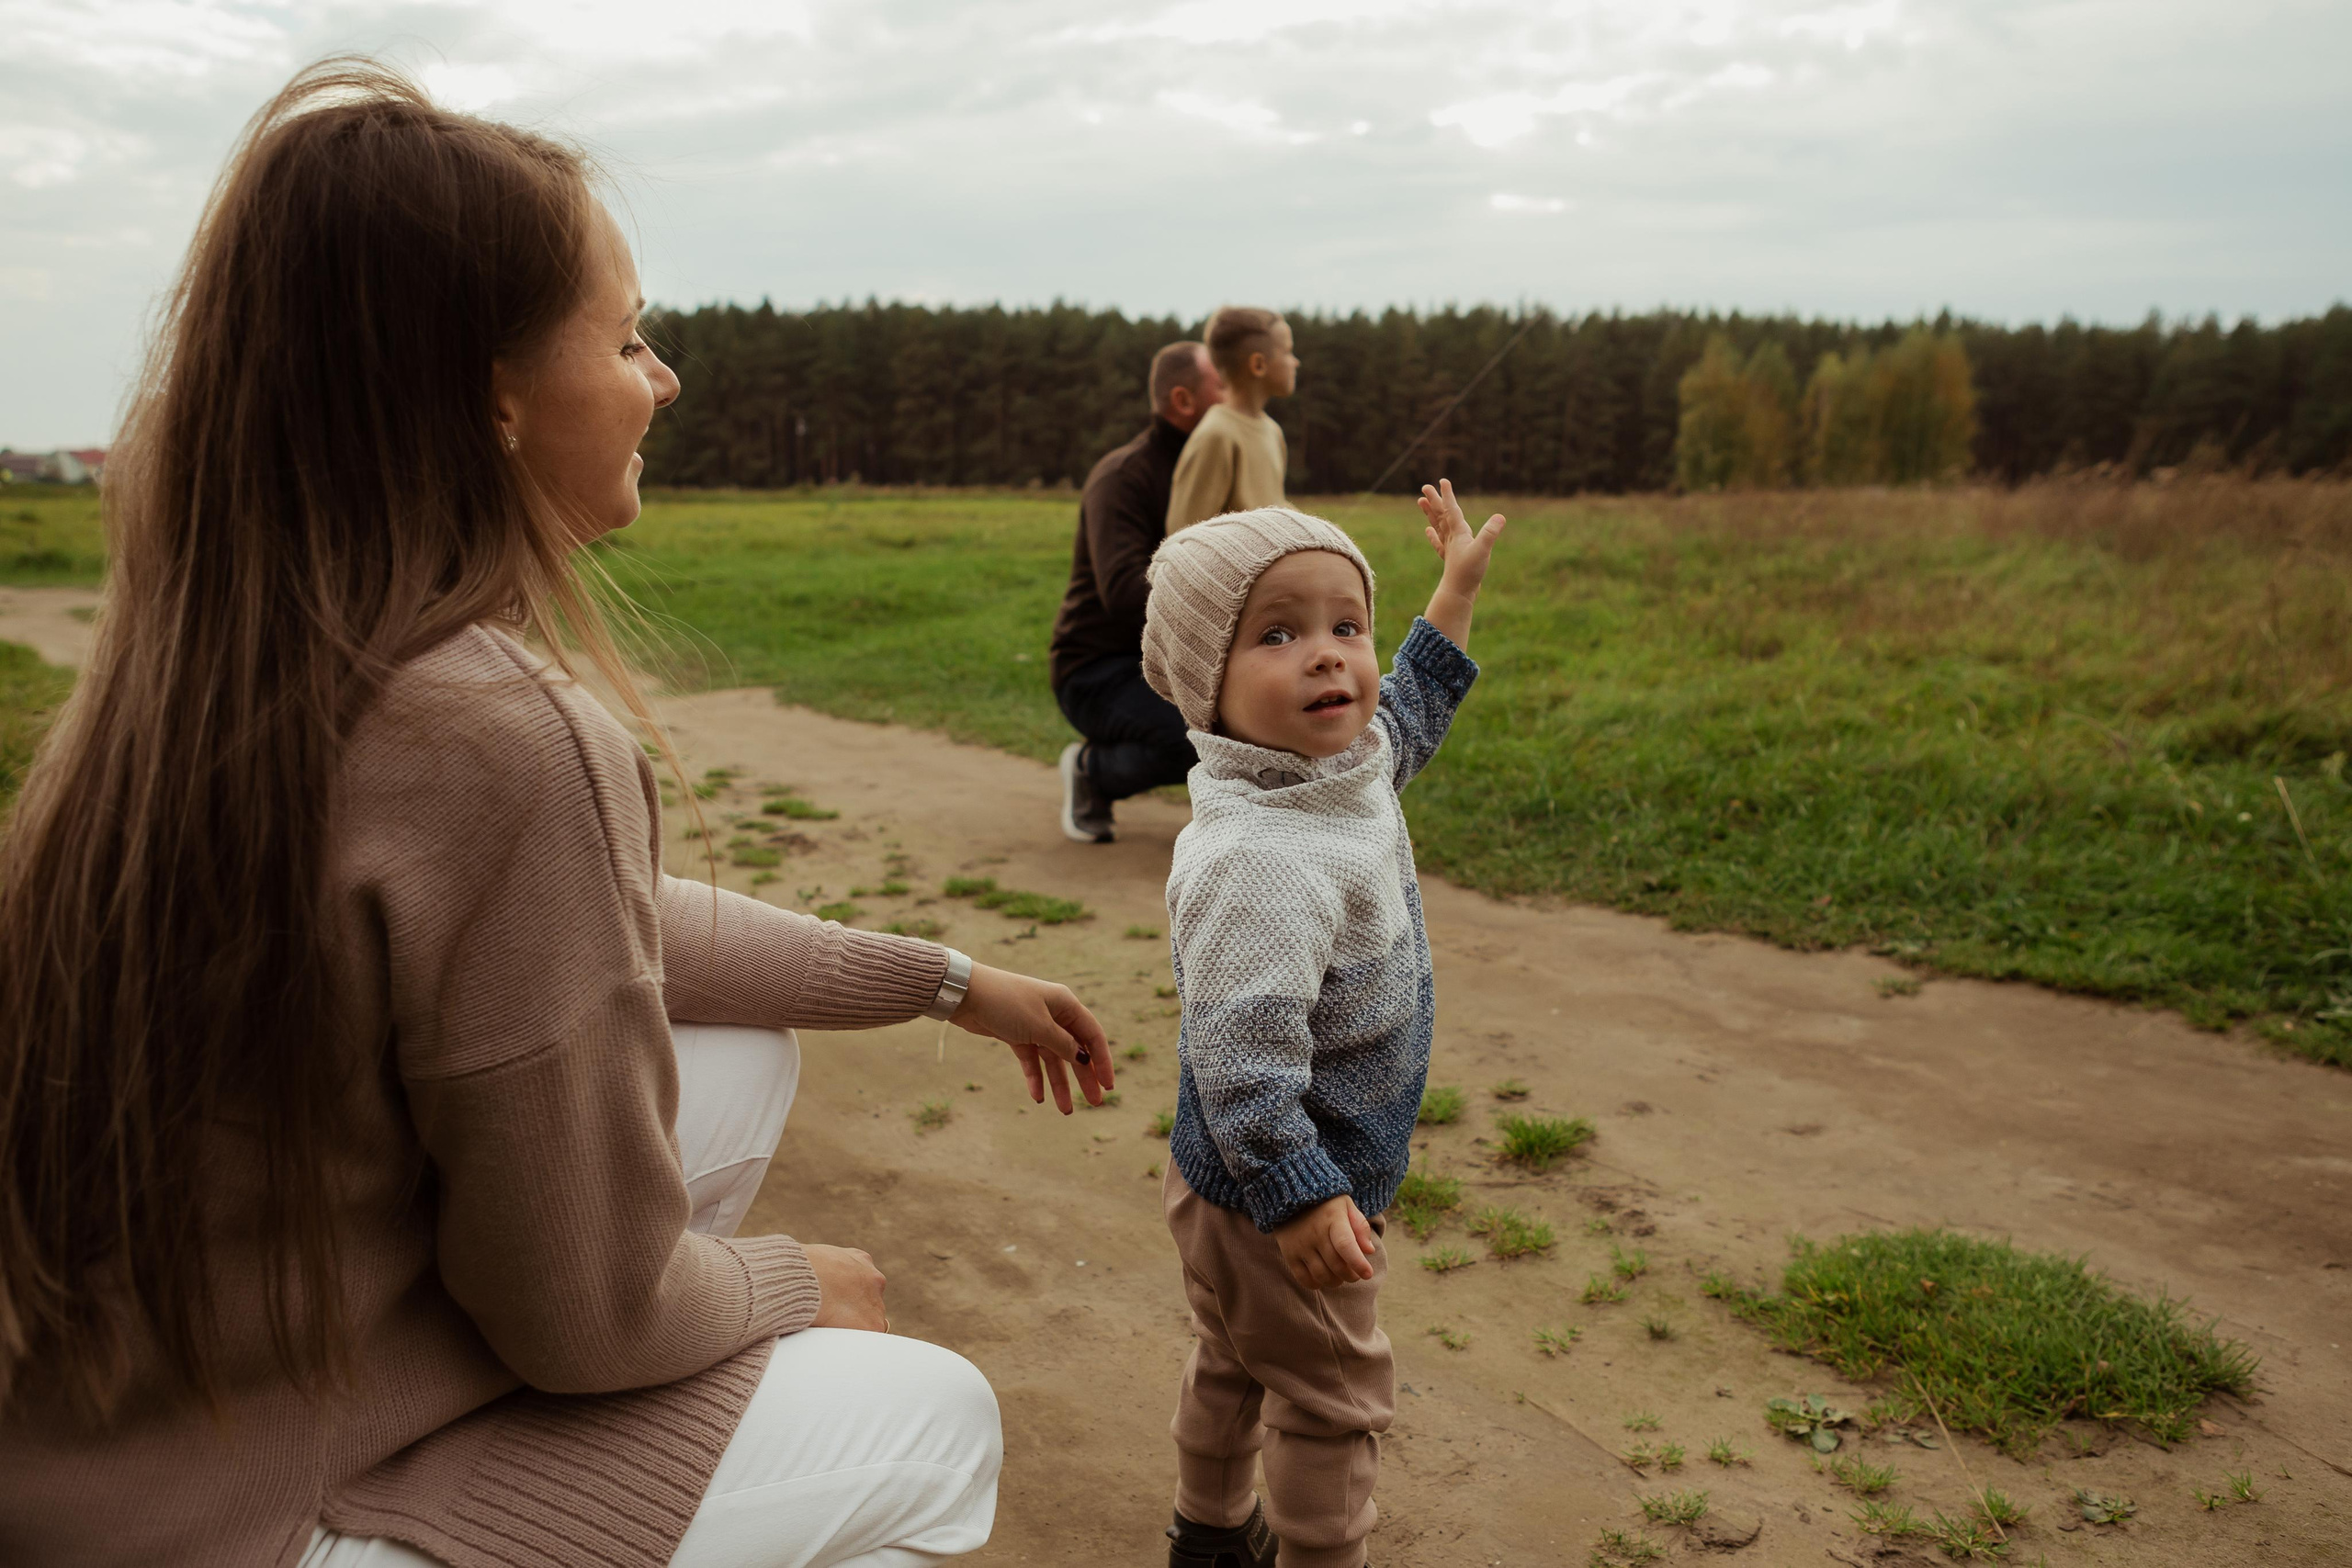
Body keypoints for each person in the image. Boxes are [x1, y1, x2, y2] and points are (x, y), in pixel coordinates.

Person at [0, 61, 1116, 1568]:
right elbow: (591, 1318)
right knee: (930, 1415)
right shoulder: (499, 735)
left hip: (93, 1451)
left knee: (732, 1053)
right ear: (492, 397)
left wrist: (941, 979)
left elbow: (586, 933)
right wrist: (790, 1284)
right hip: (241, 1515)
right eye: (630, 335)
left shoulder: (220, 666)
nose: (663, 378)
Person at [1136, 483, 1506, 1568]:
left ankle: (1205, 1533)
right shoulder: (1262, 859)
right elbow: (1242, 1065)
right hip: (1281, 1187)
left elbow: (1411, 719)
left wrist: (1451, 595)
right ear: (1205, 682)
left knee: (1235, 1361)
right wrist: (1299, 1196)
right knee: (1332, 1398)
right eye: (1278, 633)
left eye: (1346, 625)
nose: (1329, 658)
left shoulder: (1330, 777)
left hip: (1226, 1184)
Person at [1048, 339, 1227, 842]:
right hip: (1098, 669)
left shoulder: (1220, 470)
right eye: (1222, 384)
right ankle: (1091, 772)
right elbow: (1127, 594)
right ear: (1183, 401)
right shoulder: (1123, 476)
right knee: (1197, 740)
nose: (1235, 395)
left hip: (1178, 661)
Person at [1164, 307, 1298, 535]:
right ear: (1258, 365)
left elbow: (1275, 509)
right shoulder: (1216, 435)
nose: (1295, 362)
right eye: (1287, 352)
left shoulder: (1272, 431)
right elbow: (1183, 537)